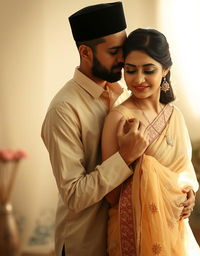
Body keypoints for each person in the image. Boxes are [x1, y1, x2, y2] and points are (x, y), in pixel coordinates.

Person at [41, 3, 149, 256]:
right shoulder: (64, 109)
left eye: (124, 50)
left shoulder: (123, 96)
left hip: (125, 241)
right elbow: (74, 195)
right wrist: (125, 157)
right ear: (85, 53)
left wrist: (182, 192)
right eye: (114, 52)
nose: (123, 59)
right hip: (86, 244)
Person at [102, 28, 200, 255]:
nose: (138, 79)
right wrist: (130, 156)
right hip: (133, 231)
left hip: (174, 226)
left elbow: (184, 172)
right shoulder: (118, 118)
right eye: (130, 70)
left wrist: (189, 194)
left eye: (148, 70)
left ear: (165, 70)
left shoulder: (175, 115)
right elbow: (111, 196)